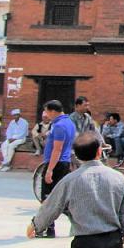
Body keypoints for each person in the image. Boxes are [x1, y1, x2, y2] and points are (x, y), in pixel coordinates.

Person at [38, 100, 77, 237]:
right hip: (64, 163)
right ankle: (78, 224)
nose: (46, 115)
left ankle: (48, 228)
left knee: (47, 198)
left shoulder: (59, 125)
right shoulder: (69, 123)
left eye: (47, 112)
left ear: (53, 111)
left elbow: (57, 149)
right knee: (62, 197)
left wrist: (49, 170)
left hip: (56, 164)